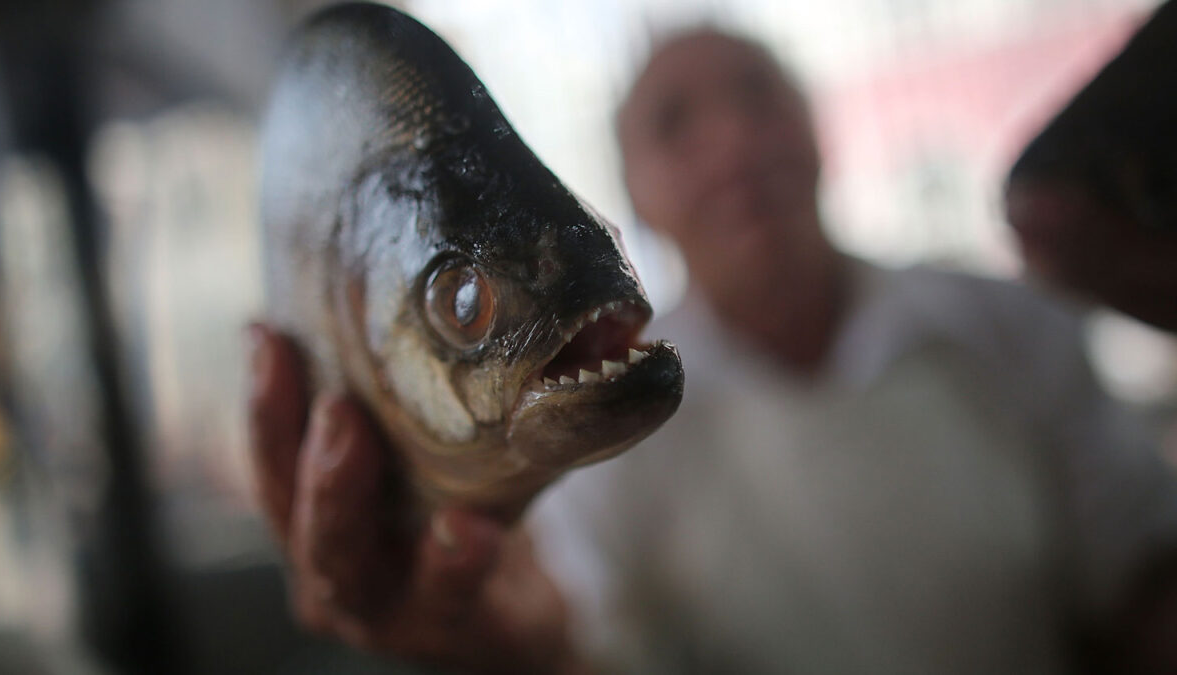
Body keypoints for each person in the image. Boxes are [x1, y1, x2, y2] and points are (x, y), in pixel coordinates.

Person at [247, 26, 1177, 674]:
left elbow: (1141, 597)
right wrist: (510, 653)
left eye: (756, 94)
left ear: (818, 136)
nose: (732, 141)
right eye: (675, 123)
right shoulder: (588, 429)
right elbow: (589, 650)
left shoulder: (1010, 325)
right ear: (636, 197)